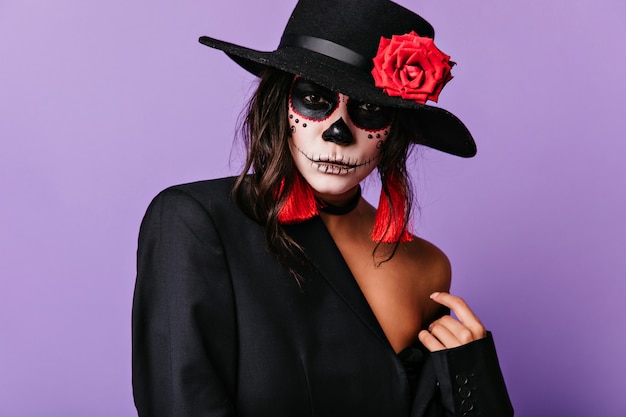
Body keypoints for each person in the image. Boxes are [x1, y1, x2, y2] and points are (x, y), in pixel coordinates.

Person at [132, 0, 514, 416]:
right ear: (278, 104)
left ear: (395, 131)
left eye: (370, 110)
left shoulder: (427, 267)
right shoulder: (194, 222)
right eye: (314, 98)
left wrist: (472, 377)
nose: (338, 133)